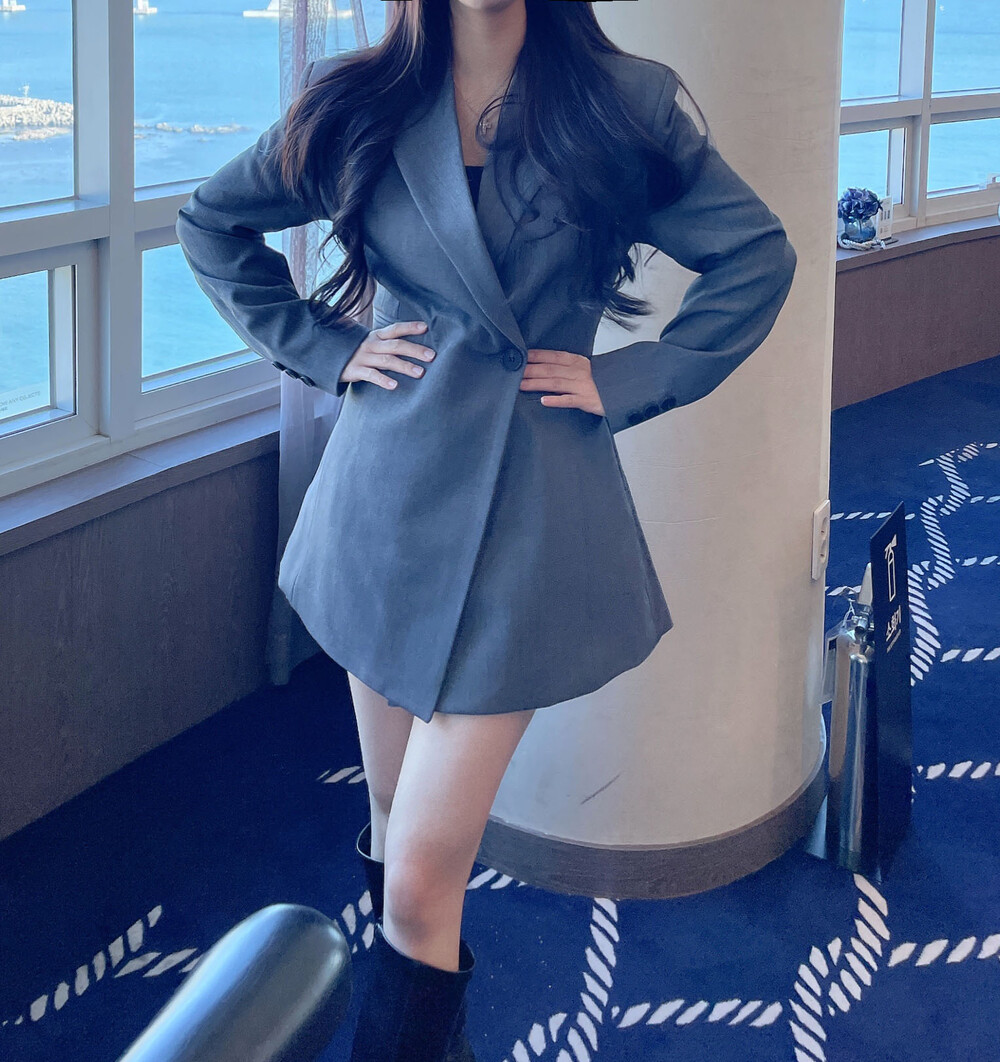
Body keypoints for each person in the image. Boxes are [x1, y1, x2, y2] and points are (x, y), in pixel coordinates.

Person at [175, 1, 797, 1059]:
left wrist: (629, 377)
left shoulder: (621, 104)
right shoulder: (357, 100)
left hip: (526, 513)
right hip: (382, 504)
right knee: (389, 813)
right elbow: (212, 222)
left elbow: (755, 257)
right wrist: (325, 350)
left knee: (422, 880)